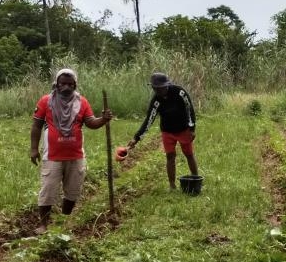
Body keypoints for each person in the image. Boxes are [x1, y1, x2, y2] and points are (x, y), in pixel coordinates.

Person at [30, 68, 112, 221]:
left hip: (75, 155)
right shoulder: (45, 101)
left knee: (73, 191)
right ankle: (43, 223)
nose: (66, 87)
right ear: (56, 84)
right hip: (52, 156)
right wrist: (34, 149)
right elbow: (36, 126)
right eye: (63, 84)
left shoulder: (82, 102)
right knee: (48, 190)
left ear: (75, 85)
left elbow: (91, 123)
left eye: (69, 84)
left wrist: (103, 119)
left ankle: (64, 219)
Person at [126, 72, 198, 190]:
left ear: (167, 85)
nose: (160, 90)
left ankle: (196, 179)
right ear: (153, 88)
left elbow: (189, 109)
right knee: (170, 156)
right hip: (167, 131)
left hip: (183, 129)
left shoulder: (180, 92)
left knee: (189, 154)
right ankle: (172, 185)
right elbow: (149, 119)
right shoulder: (156, 101)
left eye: (162, 87)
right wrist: (136, 138)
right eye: (157, 88)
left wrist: (192, 128)